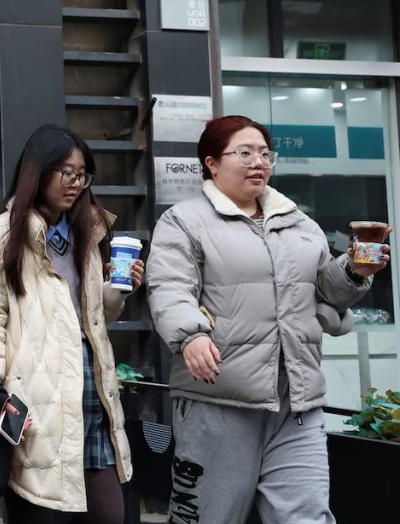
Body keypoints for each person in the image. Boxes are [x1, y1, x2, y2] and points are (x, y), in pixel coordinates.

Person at [146, 115, 391, 524]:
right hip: (220, 399)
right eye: (244, 153)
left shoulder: (299, 222)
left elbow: (325, 292)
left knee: (306, 517)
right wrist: (191, 336)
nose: (258, 161)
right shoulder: (184, 221)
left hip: (297, 400)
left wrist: (352, 271)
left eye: (264, 153)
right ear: (212, 163)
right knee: (209, 518)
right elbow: (170, 288)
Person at [0, 124, 144, 524]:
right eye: (65, 172)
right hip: (35, 400)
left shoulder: (85, 236)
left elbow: (88, 316)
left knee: (113, 513)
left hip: (93, 395)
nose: (74, 183)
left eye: (82, 174)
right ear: (35, 172)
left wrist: (118, 291)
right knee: (43, 512)